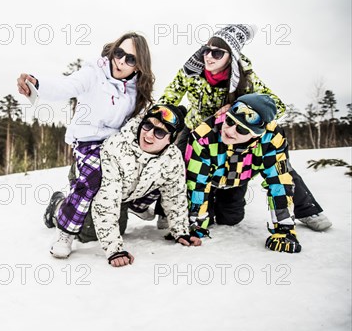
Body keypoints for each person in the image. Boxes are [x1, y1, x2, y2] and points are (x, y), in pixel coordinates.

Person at [158, 24, 331, 231]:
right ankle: (166, 211)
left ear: (230, 56)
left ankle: (308, 209)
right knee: (173, 163)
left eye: (217, 53)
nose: (208, 57)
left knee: (277, 162)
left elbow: (277, 104)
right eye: (206, 50)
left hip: (231, 132)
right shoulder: (191, 72)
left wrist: (240, 107)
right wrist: (161, 119)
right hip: (195, 129)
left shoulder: (246, 77)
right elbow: (169, 98)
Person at [16, 32, 155, 258]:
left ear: (138, 66)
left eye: (130, 59)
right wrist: (37, 84)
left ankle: (138, 204)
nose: (121, 61)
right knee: (92, 180)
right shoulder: (93, 73)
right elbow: (65, 86)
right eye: (119, 53)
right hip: (88, 141)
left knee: (149, 162)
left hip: (115, 144)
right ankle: (65, 230)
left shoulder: (136, 88)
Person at [186, 94, 303, 253]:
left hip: (238, 180)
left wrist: (285, 230)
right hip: (210, 178)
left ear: (256, 134)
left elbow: (279, 183)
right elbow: (197, 183)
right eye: (229, 121)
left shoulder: (272, 140)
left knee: (231, 218)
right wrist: (195, 226)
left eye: (241, 129)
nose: (230, 131)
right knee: (204, 217)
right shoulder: (204, 135)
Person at [90, 104, 202, 267]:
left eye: (159, 132)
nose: (149, 134)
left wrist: (181, 232)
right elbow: (106, 201)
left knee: (119, 225)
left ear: (171, 139)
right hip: (93, 187)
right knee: (89, 234)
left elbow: (175, 195)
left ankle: (133, 207)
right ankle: (59, 206)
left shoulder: (173, 157)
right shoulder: (117, 147)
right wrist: (114, 250)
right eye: (148, 125)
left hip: (128, 192)